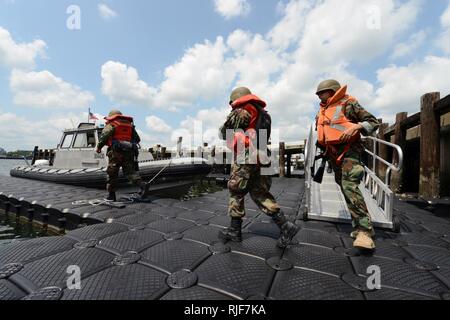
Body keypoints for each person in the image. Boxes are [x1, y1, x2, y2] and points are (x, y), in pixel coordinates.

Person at [218, 87, 298, 248]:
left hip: (246, 156)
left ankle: (234, 232)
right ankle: (285, 226)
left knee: (236, 191)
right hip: (262, 156)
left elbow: (224, 132)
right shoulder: (264, 114)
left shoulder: (241, 111)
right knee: (260, 193)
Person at [315, 79, 380, 250]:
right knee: (344, 186)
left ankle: (364, 231)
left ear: (333, 91)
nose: (320, 96)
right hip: (332, 154)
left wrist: (356, 127)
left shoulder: (349, 104)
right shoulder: (322, 111)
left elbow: (373, 122)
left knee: (349, 185)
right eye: (319, 94)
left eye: (323, 92)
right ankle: (358, 223)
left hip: (350, 151)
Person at [96, 110, 147, 202]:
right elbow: (138, 139)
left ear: (111, 116)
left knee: (112, 173)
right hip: (129, 152)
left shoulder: (112, 124)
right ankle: (143, 185)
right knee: (130, 172)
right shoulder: (130, 126)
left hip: (116, 152)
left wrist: (99, 148)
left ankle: (111, 196)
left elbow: (104, 137)